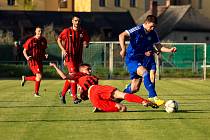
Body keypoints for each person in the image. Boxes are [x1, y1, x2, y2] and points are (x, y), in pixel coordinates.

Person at [49, 62, 159, 112]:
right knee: (122, 103)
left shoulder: (94, 78)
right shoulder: (78, 75)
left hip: (97, 95)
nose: (90, 71)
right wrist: (54, 66)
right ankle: (142, 99)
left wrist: (80, 93)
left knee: (123, 107)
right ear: (82, 70)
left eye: (90, 69)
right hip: (94, 94)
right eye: (88, 69)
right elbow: (64, 77)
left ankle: (144, 102)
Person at [119, 15, 176, 106]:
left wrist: (169, 50)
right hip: (132, 59)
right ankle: (152, 96)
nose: (153, 28)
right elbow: (121, 35)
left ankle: (115, 99)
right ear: (146, 23)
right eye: (151, 26)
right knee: (145, 73)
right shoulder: (137, 30)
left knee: (134, 88)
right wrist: (123, 49)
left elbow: (159, 47)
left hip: (141, 61)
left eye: (154, 26)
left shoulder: (153, 33)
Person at [57, 15, 90, 104]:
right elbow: (59, 39)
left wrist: (86, 44)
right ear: (72, 21)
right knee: (74, 75)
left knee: (73, 76)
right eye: (75, 21)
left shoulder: (82, 32)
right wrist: (63, 50)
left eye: (78, 21)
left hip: (78, 58)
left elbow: (87, 41)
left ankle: (63, 94)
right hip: (69, 57)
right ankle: (75, 97)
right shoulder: (67, 31)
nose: (77, 22)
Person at [21, 26, 48, 97]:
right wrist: (27, 57)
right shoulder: (31, 40)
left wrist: (45, 54)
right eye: (38, 31)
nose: (40, 32)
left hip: (40, 61)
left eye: (41, 31)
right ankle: (36, 93)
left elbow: (43, 49)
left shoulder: (43, 40)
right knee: (39, 76)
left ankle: (25, 78)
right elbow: (24, 51)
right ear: (35, 32)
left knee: (39, 77)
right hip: (33, 61)